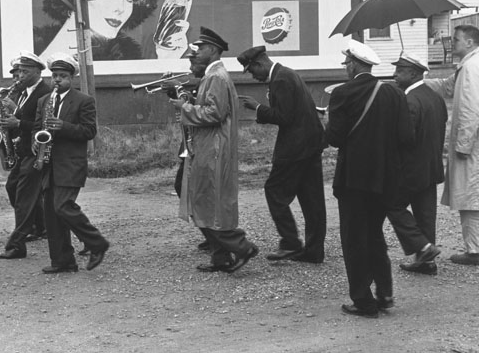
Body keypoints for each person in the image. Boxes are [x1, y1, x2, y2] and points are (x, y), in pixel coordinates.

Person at [325, 41, 412, 318]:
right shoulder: (394, 93)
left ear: (352, 64)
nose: (345, 68)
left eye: (346, 63)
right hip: (385, 180)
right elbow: (406, 138)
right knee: (375, 236)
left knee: (354, 239)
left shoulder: (341, 93)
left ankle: (363, 301)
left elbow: (334, 139)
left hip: (353, 181)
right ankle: (385, 294)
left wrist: (325, 122)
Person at [170, 27, 259, 274]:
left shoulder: (216, 77)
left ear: (213, 50)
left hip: (213, 149)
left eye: (199, 50)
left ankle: (242, 247)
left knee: (209, 201)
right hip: (211, 146)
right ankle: (221, 258)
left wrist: (184, 108)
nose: (193, 55)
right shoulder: (214, 76)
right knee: (208, 202)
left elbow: (214, 113)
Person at [236, 46, 327, 263]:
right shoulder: (287, 73)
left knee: (274, 191)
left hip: (295, 148)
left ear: (259, 64)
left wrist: (257, 108)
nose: (253, 76)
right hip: (310, 144)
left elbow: (284, 117)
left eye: (251, 71)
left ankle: (291, 244)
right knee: (312, 199)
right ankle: (314, 251)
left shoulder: (280, 80)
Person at [34, 53, 110, 273]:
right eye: (54, 75)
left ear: (72, 78)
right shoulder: (43, 101)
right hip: (48, 163)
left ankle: (97, 243)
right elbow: (36, 129)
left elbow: (89, 131)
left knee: (63, 206)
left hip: (70, 164)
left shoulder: (84, 101)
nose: (57, 80)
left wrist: (63, 126)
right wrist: (34, 142)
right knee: (51, 213)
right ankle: (63, 261)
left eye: (63, 76)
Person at [424, 24, 479, 266]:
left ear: (469, 42)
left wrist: (464, 145)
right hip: (474, 142)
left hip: (472, 145)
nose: (452, 42)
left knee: (470, 196)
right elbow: (447, 86)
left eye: (456, 39)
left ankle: (475, 250)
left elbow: (470, 108)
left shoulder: (470, 67)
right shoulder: (467, 66)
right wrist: (418, 82)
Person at [387, 52, 446, 275]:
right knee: (425, 215)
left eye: (399, 71)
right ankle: (427, 262)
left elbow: (405, 139)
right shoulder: (435, 97)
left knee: (392, 204)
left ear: (412, 74)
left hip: (410, 169)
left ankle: (422, 247)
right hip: (431, 167)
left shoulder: (409, 101)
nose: (394, 75)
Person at [0, 51, 52, 260]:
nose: (21, 76)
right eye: (19, 72)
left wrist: (18, 122)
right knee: (12, 188)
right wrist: (13, 114)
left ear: (38, 71)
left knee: (24, 199)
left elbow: (43, 124)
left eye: (26, 72)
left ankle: (16, 245)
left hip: (35, 151)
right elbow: (24, 115)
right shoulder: (25, 92)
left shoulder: (45, 92)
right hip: (22, 150)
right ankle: (40, 226)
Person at [164, 44, 210, 251]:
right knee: (186, 188)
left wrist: (182, 98)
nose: (190, 66)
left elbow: (202, 108)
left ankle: (218, 236)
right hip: (191, 143)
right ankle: (212, 234)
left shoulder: (211, 80)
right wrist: (173, 91)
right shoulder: (204, 80)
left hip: (200, 144)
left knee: (196, 191)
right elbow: (187, 101)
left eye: (193, 61)